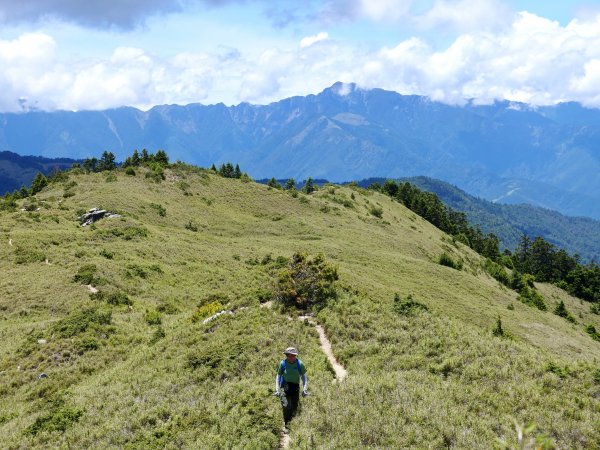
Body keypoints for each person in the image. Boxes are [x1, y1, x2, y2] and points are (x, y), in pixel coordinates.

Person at [274, 347, 308, 425]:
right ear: (286, 355)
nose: (291, 357)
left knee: (294, 406)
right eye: (289, 355)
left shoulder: (300, 364)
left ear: (295, 356)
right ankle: (287, 424)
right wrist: (277, 389)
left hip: (295, 387)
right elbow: (278, 376)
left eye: (293, 355)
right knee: (286, 405)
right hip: (284, 387)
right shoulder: (282, 363)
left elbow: (304, 377)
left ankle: (293, 423)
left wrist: (304, 389)